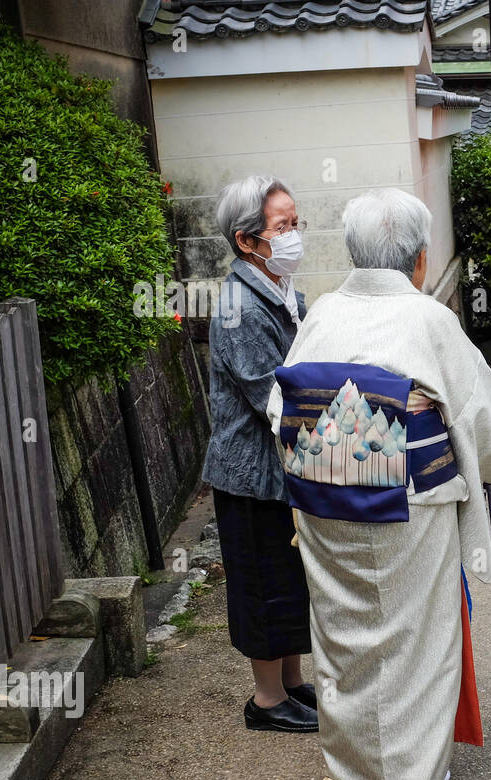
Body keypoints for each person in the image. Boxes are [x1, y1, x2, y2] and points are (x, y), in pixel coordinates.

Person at [267, 188, 491, 780]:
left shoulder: (324, 311)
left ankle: (345, 767)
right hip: (409, 496)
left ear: (355, 253)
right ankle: (412, 778)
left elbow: (280, 407)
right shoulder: (430, 320)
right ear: (418, 259)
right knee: (417, 632)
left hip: (325, 490)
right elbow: (476, 412)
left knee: (339, 628)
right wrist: (490, 462)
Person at [205, 175, 317, 734]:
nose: (294, 235)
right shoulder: (238, 307)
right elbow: (269, 394)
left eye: (296, 223)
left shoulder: (283, 294)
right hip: (250, 472)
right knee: (263, 580)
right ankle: (266, 699)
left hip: (284, 465)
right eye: (282, 227)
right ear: (248, 242)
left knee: (292, 577)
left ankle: (292, 682)